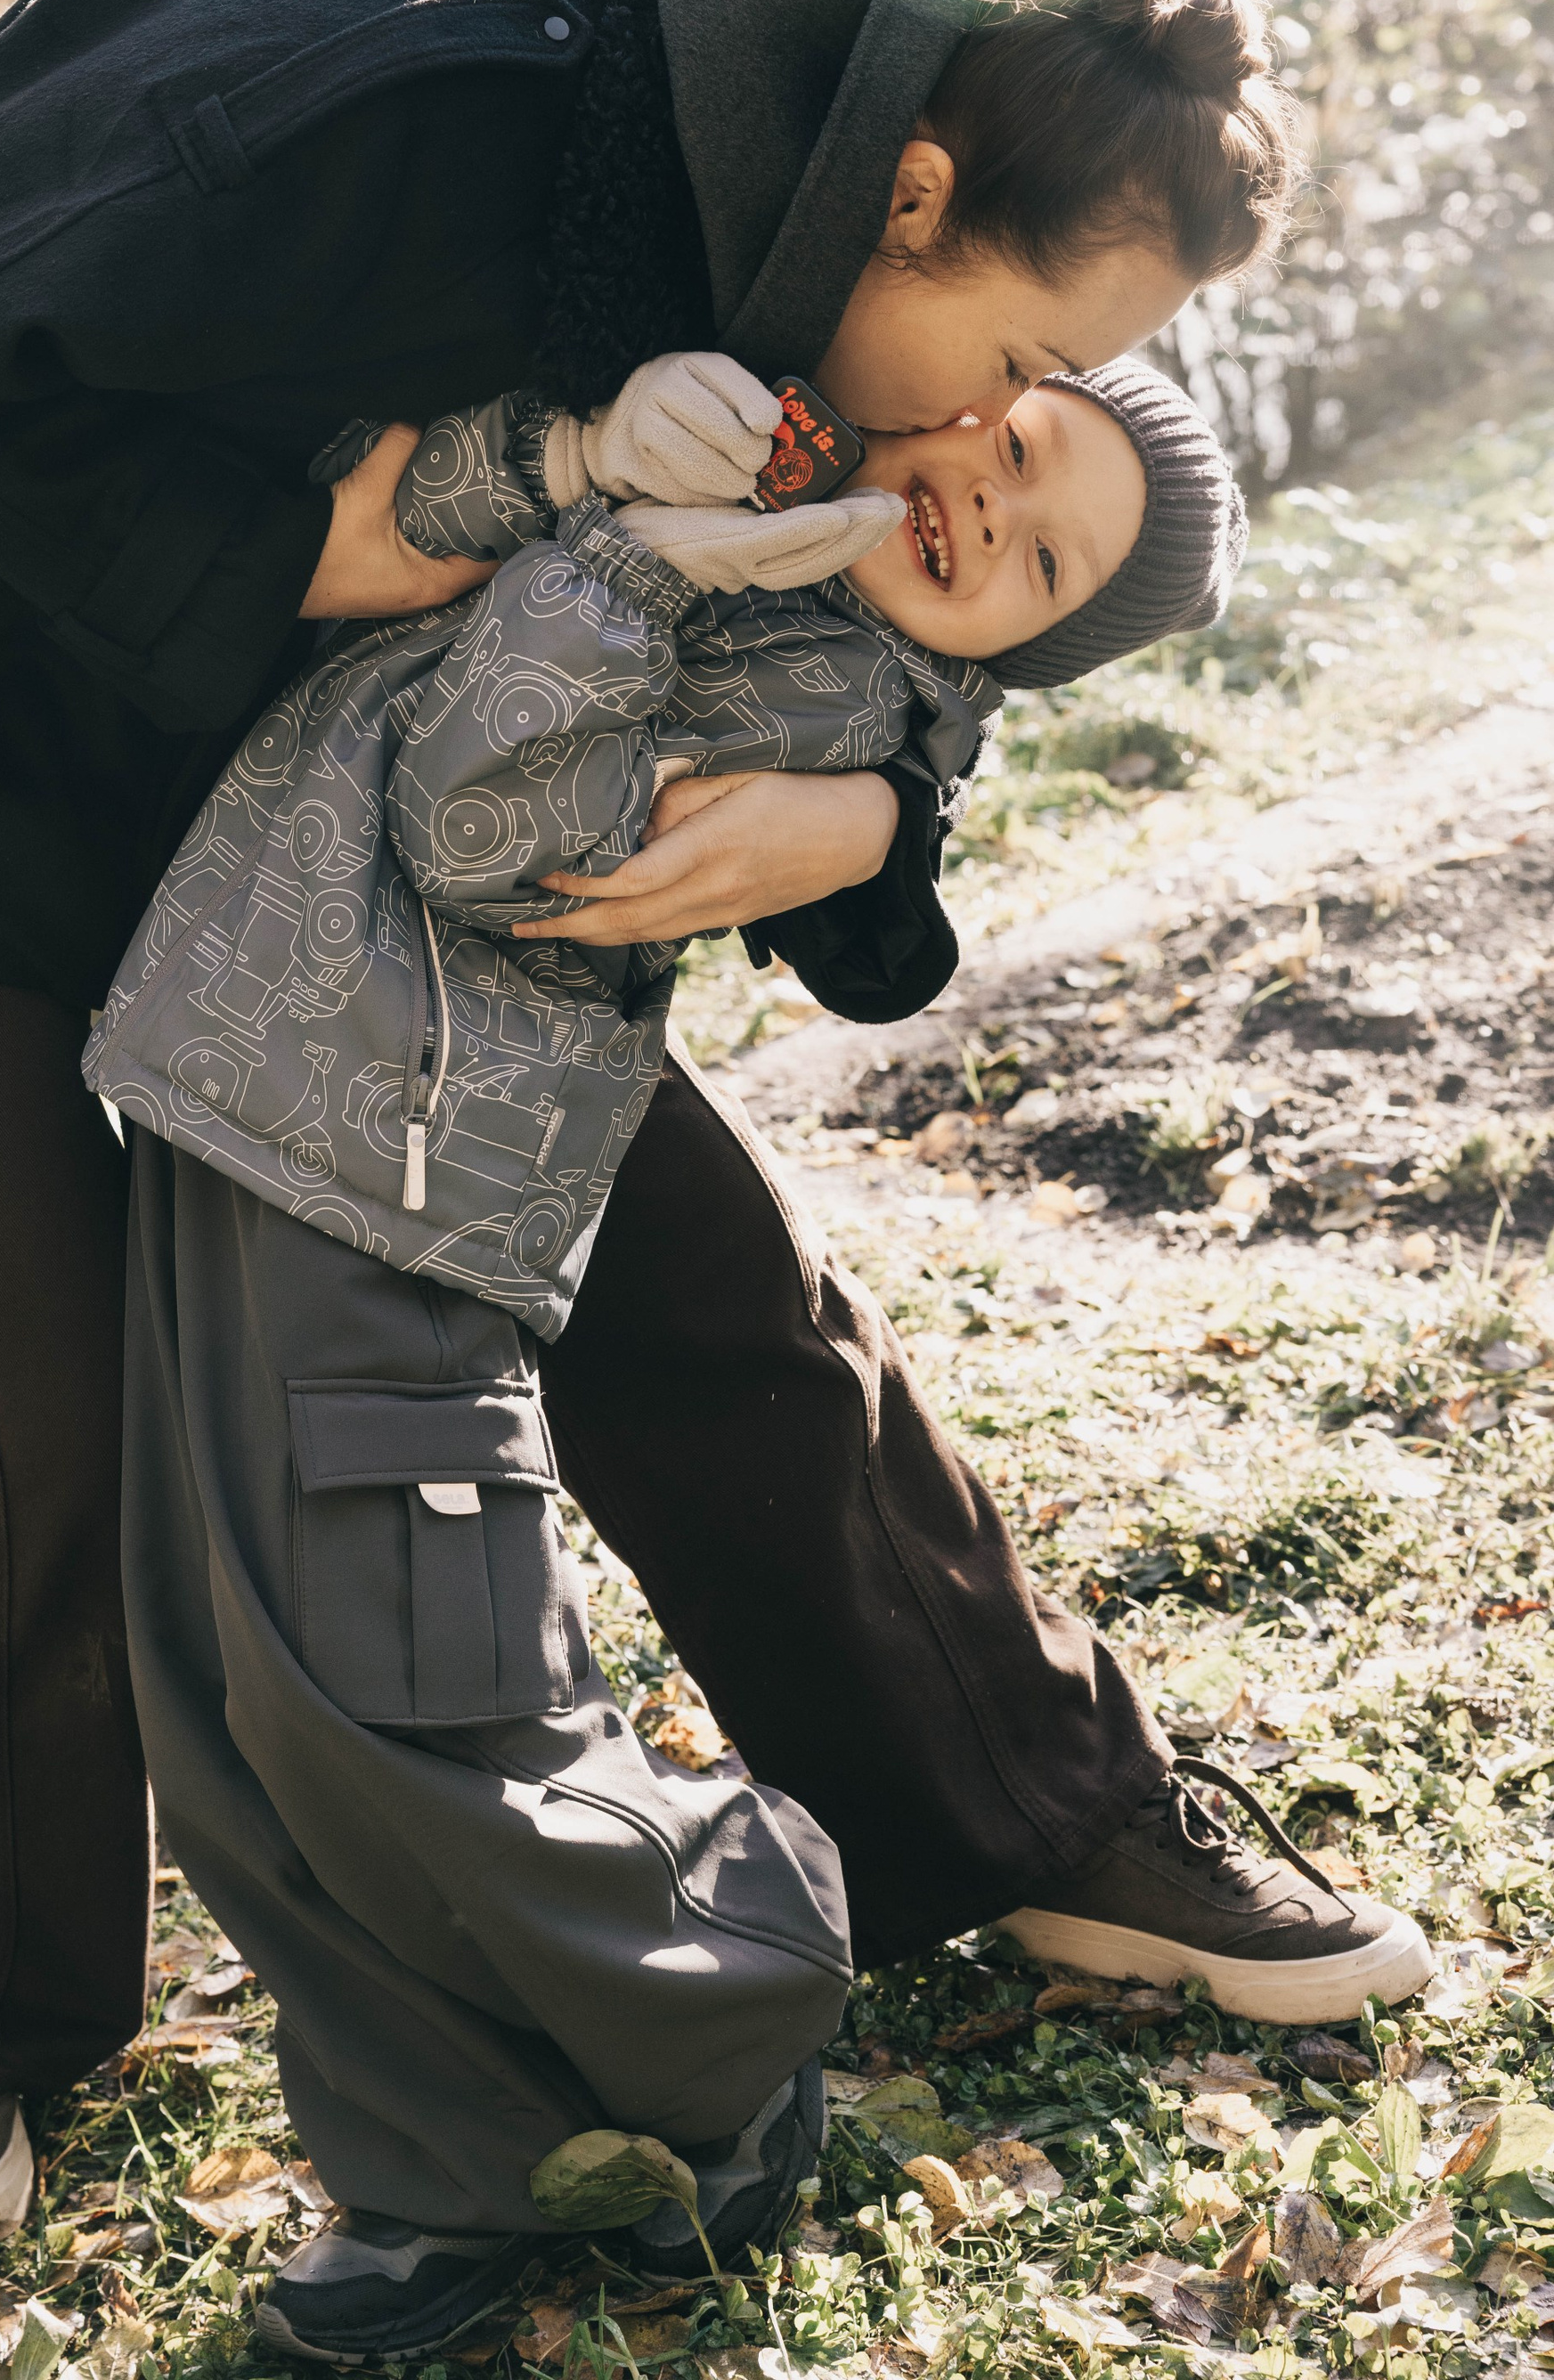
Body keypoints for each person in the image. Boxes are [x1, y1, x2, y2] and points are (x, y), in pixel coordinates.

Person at [0, 0, 1356, 2265]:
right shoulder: (405, 82)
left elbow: (929, 581)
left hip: (345, 800)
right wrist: (327, 546)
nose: (1019, 418)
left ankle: (1032, 1813)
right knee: (14, 1399)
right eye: (1033, 358)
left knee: (690, 1277)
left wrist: (864, 814)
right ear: (918, 195)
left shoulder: (826, 191)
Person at [91, 355, 1424, 2365]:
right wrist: (579, 464)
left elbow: (480, 823)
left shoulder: (825, 692)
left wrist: (625, 564)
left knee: (401, 1667)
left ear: (1026, 645)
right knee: (238, 1705)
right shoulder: (763, 501)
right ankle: (443, 2163)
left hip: (406, 1150)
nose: (981, 487)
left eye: (1038, 543)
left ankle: (721, 1979)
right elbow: (436, 515)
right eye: (1007, 429)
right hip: (233, 1100)